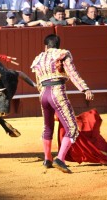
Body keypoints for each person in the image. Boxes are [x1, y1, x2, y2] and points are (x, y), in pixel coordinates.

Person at [30, 34, 94, 173]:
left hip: (43, 95)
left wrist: (44, 97)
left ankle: (47, 159)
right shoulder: (63, 54)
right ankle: (60, 159)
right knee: (72, 128)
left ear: (46, 46)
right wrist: (84, 88)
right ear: (58, 45)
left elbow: (38, 81)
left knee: (47, 126)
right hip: (57, 92)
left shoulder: (38, 58)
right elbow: (72, 73)